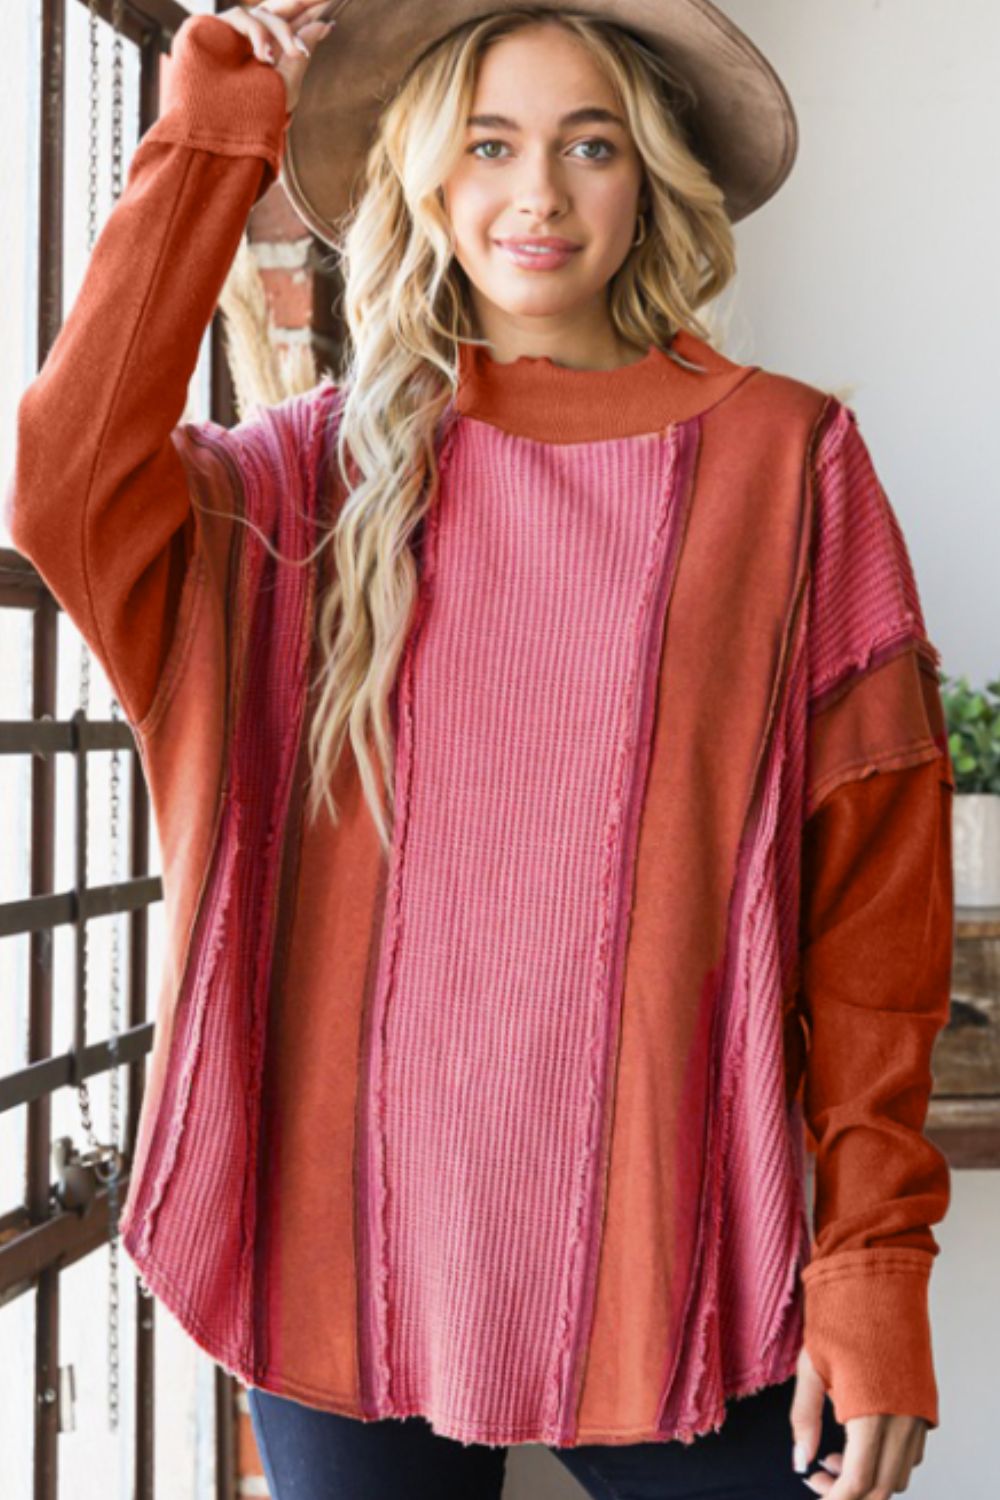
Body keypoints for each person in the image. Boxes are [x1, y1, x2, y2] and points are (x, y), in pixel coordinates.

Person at [5, 1, 954, 1496]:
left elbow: (875, 908)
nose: (539, 195)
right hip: (337, 1240)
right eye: (490, 144)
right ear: (427, 174)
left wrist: (876, 1264)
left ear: (651, 176)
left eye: (593, 146)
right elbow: (65, 486)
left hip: (685, 1250)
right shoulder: (308, 479)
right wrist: (215, 129)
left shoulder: (788, 461)